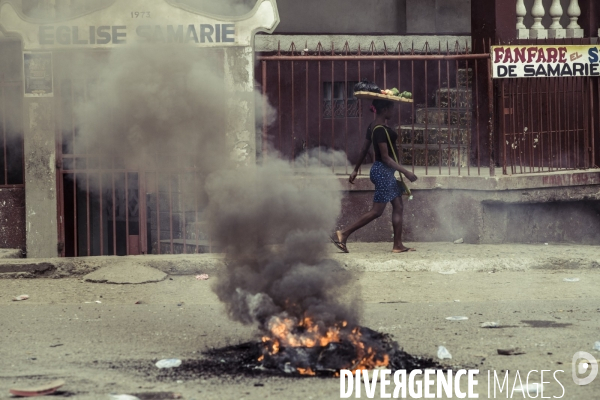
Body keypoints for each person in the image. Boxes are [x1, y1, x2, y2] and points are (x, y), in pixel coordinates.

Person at [331, 99, 418, 253]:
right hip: (383, 171)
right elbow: (385, 157)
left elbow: (364, 148)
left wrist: (355, 170)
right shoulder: (379, 129)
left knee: (398, 206)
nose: (393, 111)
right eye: (391, 108)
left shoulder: (373, 126)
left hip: (382, 171)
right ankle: (343, 233)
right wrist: (406, 172)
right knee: (377, 211)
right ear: (384, 109)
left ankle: (397, 245)